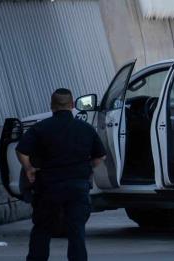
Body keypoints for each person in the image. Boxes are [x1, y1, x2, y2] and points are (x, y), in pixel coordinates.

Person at [16, 88, 106, 261]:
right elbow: (100, 156)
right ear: (72, 105)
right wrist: (87, 168)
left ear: (52, 106)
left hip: (48, 188)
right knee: (77, 232)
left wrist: (29, 169)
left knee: (42, 230)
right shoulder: (86, 128)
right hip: (78, 187)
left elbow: (21, 151)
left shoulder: (40, 128)